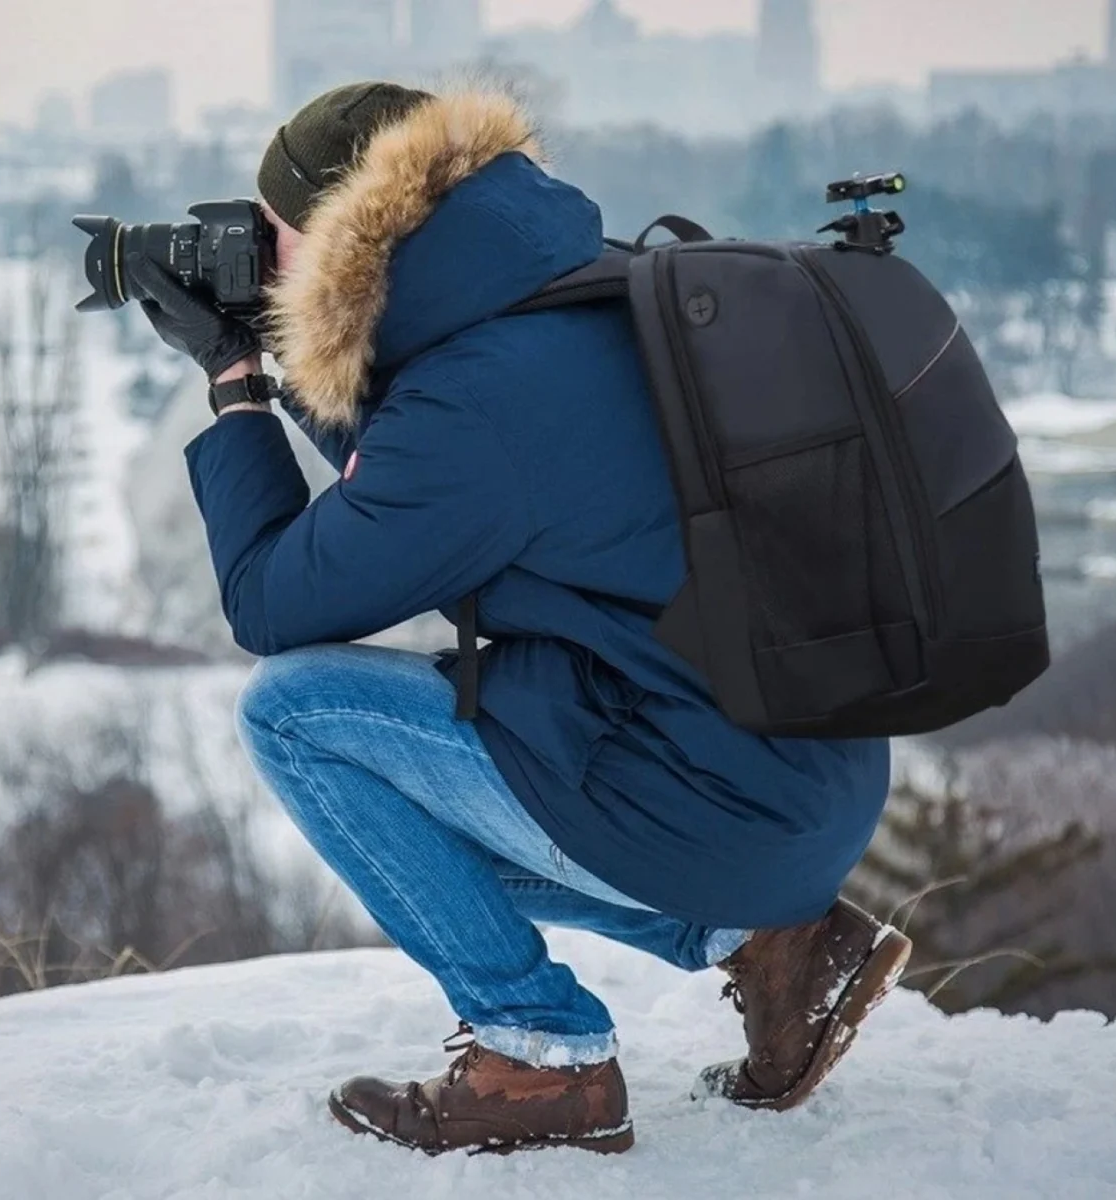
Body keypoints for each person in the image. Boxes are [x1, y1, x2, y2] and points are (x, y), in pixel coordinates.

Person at [128, 82, 910, 1157]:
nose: (262, 261)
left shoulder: (470, 407)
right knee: (420, 842)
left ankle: (541, 1055)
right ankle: (778, 943)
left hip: (719, 793)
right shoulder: (570, 287)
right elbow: (414, 470)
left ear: (343, 230)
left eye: (272, 237)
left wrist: (233, 382)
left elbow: (271, 599)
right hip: (801, 774)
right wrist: (286, 347)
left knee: (295, 716)